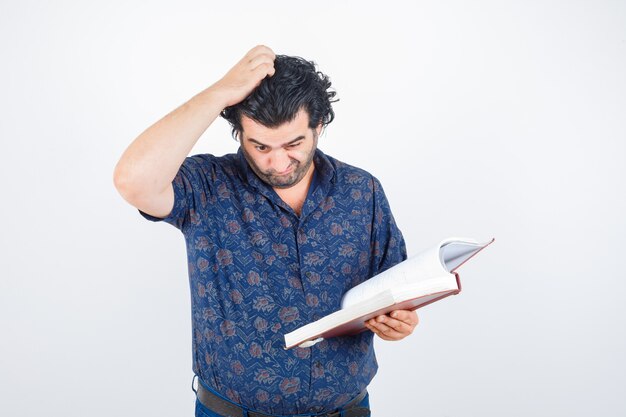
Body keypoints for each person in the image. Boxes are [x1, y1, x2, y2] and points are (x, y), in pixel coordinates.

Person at [113, 45, 419, 417]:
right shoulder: (207, 186)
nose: (277, 162)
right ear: (239, 133)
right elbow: (133, 181)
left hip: (347, 409)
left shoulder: (362, 190)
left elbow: (395, 290)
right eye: (260, 145)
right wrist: (220, 93)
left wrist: (399, 322)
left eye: (293, 144)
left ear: (318, 126)